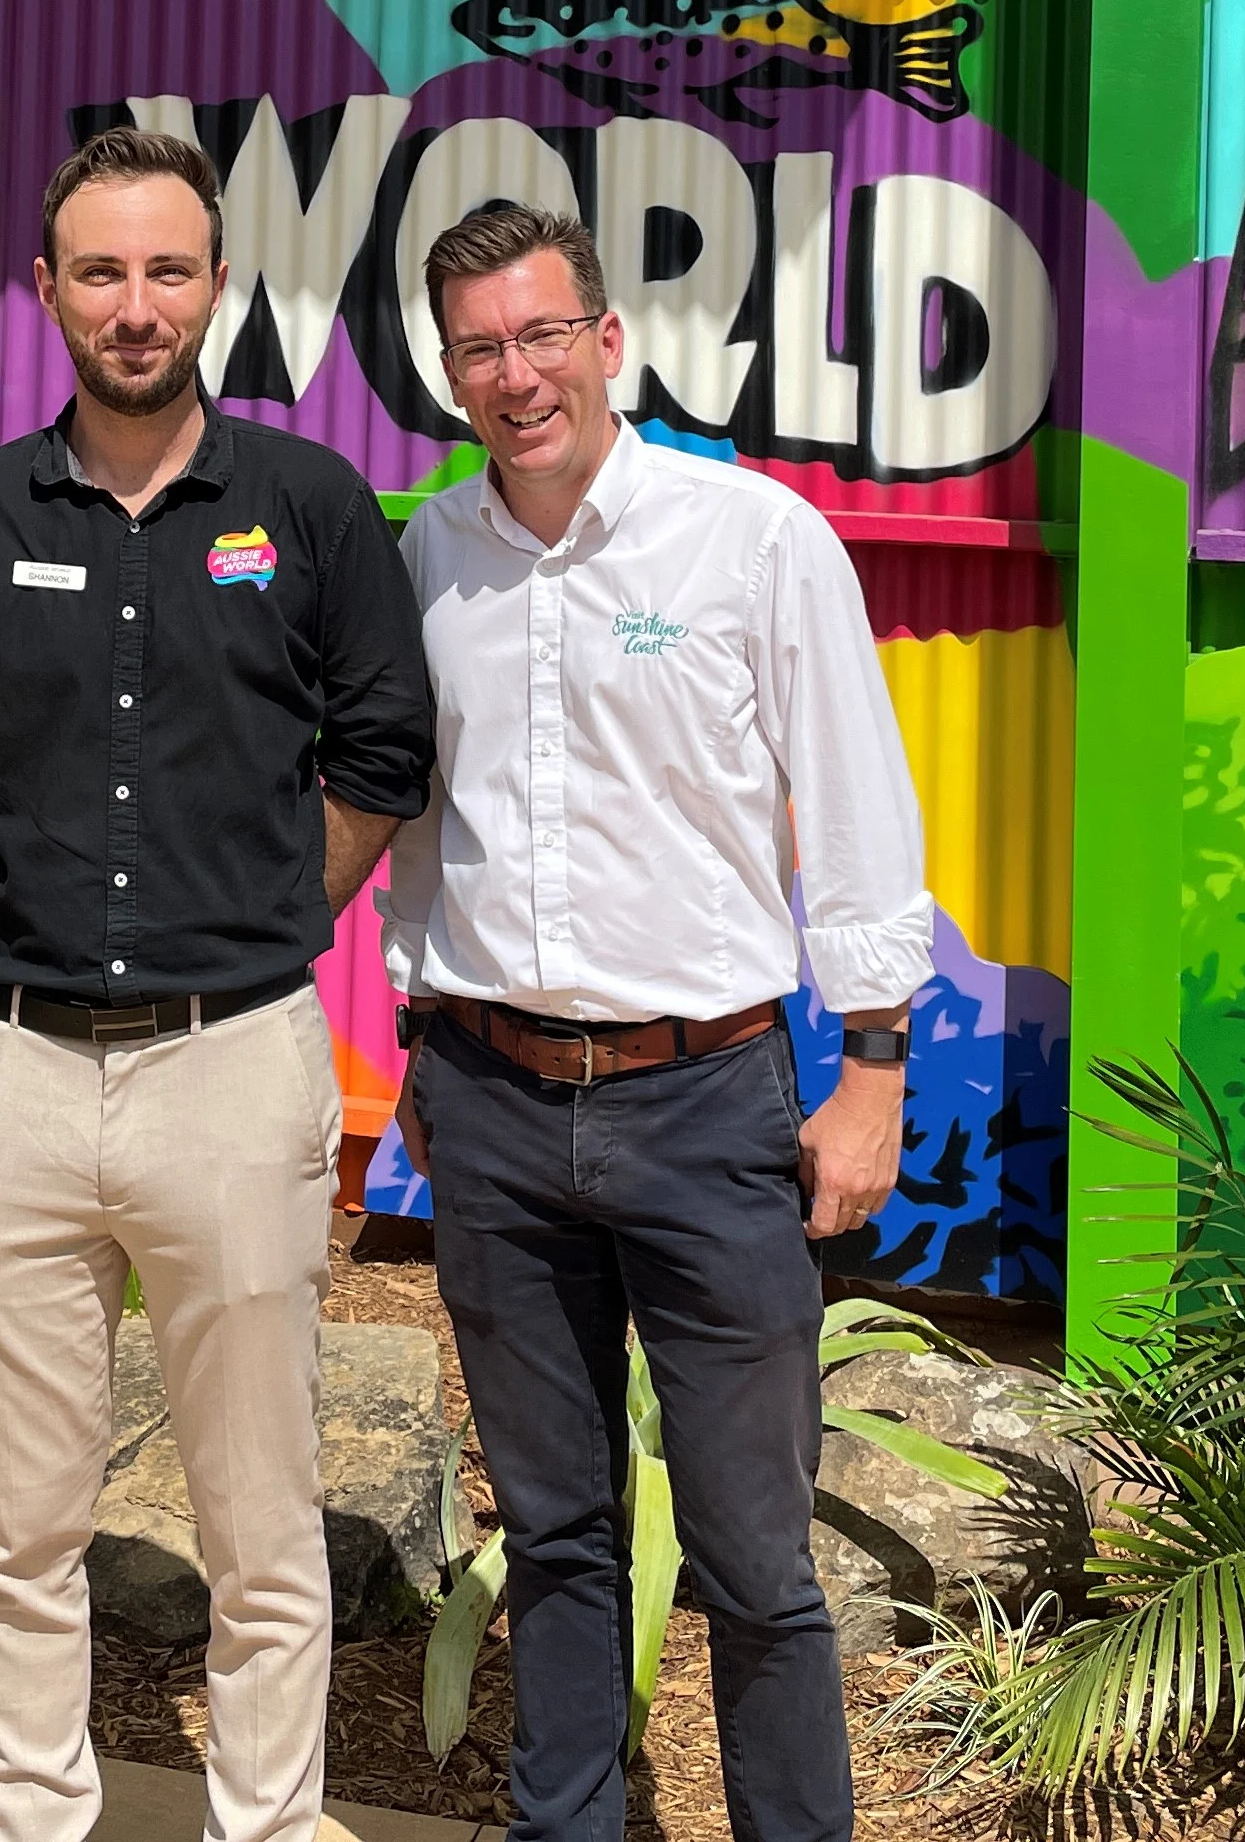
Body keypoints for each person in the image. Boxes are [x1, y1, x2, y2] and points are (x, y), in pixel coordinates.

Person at [0, 126, 435, 1842]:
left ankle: (259, 1827)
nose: (138, 307)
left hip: (234, 1066)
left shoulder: (311, 508)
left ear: (218, 285)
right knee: (19, 1527)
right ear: (43, 288)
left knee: (261, 1530)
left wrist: (266, 914)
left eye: (170, 271)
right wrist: (50, 919)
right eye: (103, 272)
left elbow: (381, 753)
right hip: (17, 1072)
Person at [388, 198, 930, 1842]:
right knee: (554, 1531)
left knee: (758, 1558)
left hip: (706, 1108)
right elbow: (422, 817)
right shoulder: (430, 556)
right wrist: (419, 1027)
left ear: (610, 342)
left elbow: (855, 802)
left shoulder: (752, 539)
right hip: (489, 1099)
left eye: (545, 334)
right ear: (450, 371)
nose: (517, 374)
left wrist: (875, 1068)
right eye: (480, 347)